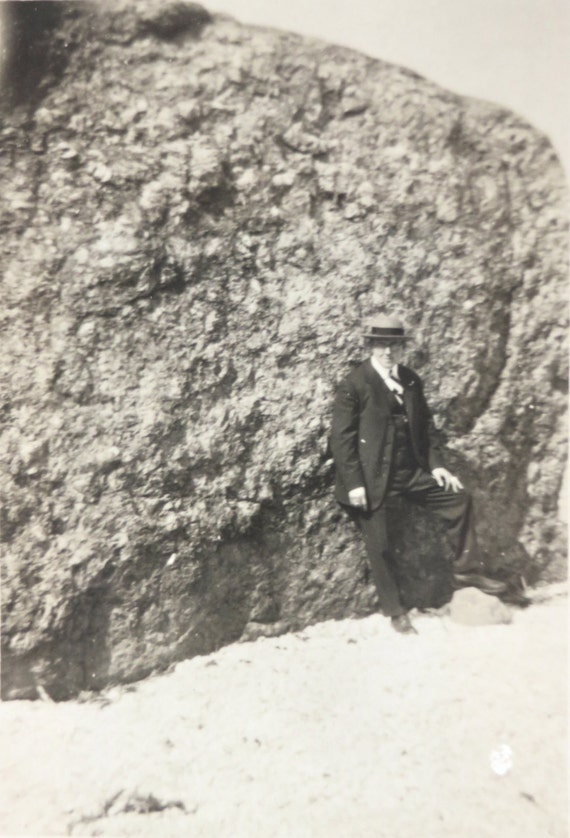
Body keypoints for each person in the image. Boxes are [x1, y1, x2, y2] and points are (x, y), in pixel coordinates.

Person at [330, 313, 507, 635]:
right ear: (371, 346)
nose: (388, 352)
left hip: (411, 473)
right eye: (382, 345)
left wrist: (438, 466)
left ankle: (467, 573)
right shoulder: (355, 383)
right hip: (373, 481)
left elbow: (426, 429)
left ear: (402, 348)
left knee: (458, 499)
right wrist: (355, 484)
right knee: (380, 543)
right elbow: (340, 441)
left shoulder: (411, 380)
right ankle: (395, 611)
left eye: (394, 345)